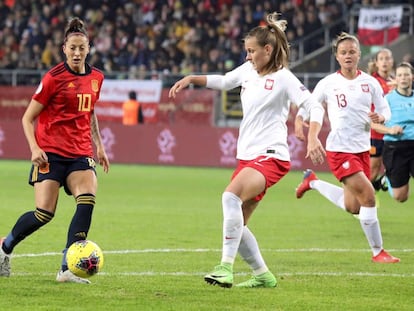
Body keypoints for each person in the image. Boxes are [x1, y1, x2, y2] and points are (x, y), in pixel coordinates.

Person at [169, 12, 325, 288]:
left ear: (268, 49)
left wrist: (313, 137)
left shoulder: (284, 78)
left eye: (252, 51)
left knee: (230, 198)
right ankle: (263, 275)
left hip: (271, 155)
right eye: (247, 51)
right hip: (248, 157)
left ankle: (224, 268)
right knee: (237, 224)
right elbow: (225, 81)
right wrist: (192, 78)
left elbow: (313, 106)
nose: (248, 56)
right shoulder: (247, 71)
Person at [0, 17, 110, 283]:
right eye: (72, 47)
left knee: (86, 202)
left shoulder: (97, 78)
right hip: (50, 153)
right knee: (44, 214)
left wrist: (99, 144)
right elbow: (27, 118)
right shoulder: (53, 78)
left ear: (88, 48)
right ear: (64, 48)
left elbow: (90, 110)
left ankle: (66, 268)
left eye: (81, 48)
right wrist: (34, 148)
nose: (76, 52)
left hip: (80, 152)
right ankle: (4, 248)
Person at [295, 32, 400, 264]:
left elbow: (386, 109)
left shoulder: (369, 83)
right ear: (337, 56)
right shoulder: (328, 83)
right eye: (343, 52)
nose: (348, 55)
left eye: (352, 51)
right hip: (339, 149)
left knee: (353, 207)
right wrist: (305, 126)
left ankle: (311, 181)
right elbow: (312, 105)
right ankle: (378, 252)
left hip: (362, 149)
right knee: (369, 196)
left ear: (359, 54)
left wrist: (381, 116)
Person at [373, 62, 414, 202]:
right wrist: (390, 129)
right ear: (395, 79)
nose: (403, 78)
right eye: (400, 75)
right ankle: (387, 179)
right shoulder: (388, 100)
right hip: (395, 147)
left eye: (406, 75)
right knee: (400, 197)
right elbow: (372, 124)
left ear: (412, 77)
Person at [367, 48, 394, 191]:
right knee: (373, 168)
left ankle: (382, 181)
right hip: (376, 132)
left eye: (387, 58)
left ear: (392, 62)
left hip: (393, 132)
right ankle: (360, 197)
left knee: (397, 163)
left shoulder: (395, 81)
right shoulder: (372, 81)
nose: (385, 62)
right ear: (376, 63)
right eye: (381, 59)